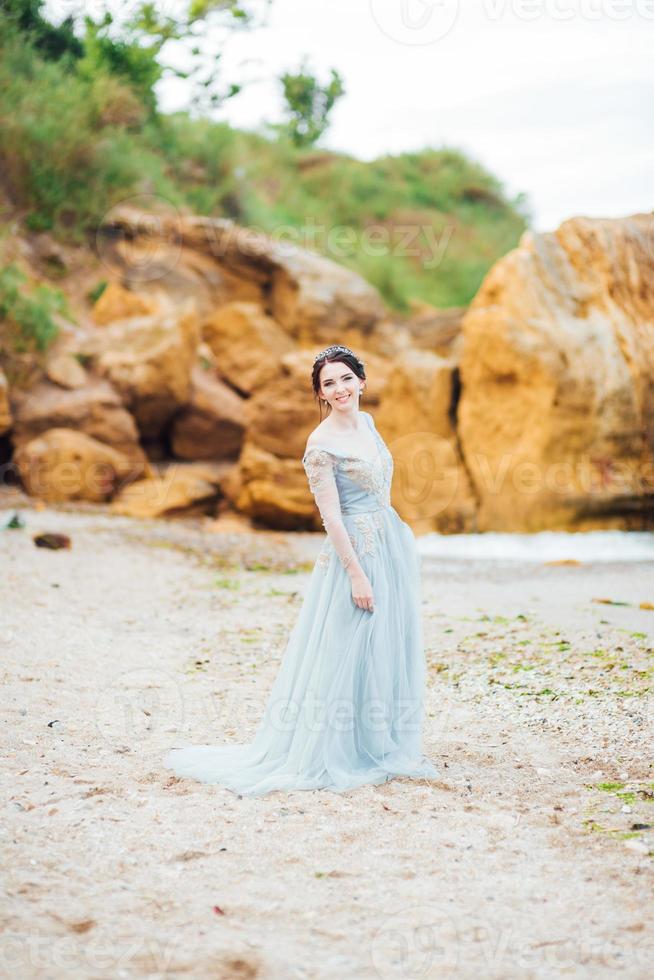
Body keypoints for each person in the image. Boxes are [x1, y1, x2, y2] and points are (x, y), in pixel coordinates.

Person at [163, 344, 439, 795]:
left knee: (386, 643)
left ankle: (378, 742)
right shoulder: (320, 444)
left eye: (346, 378)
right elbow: (331, 517)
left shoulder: (368, 424)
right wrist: (356, 573)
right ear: (320, 394)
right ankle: (336, 749)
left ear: (362, 381)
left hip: (387, 542)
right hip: (355, 552)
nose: (340, 388)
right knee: (350, 646)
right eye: (329, 383)